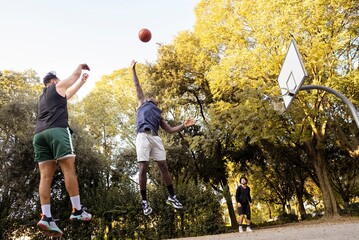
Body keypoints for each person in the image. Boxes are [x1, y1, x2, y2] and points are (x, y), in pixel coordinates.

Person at [33, 64, 92, 237]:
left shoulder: (42, 99)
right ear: (52, 81)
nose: (61, 83)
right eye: (58, 81)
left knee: (45, 177)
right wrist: (80, 67)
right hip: (57, 131)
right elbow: (72, 76)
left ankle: (46, 217)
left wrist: (81, 82)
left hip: (39, 135)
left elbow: (68, 94)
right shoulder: (56, 86)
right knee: (68, 170)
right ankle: (77, 210)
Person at [131, 60, 196, 215]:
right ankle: (144, 201)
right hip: (142, 136)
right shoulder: (142, 103)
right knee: (143, 167)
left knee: (163, 166)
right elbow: (137, 86)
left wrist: (183, 125)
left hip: (155, 138)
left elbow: (171, 130)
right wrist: (132, 69)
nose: (155, 97)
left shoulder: (158, 113)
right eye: (153, 96)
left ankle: (172, 196)